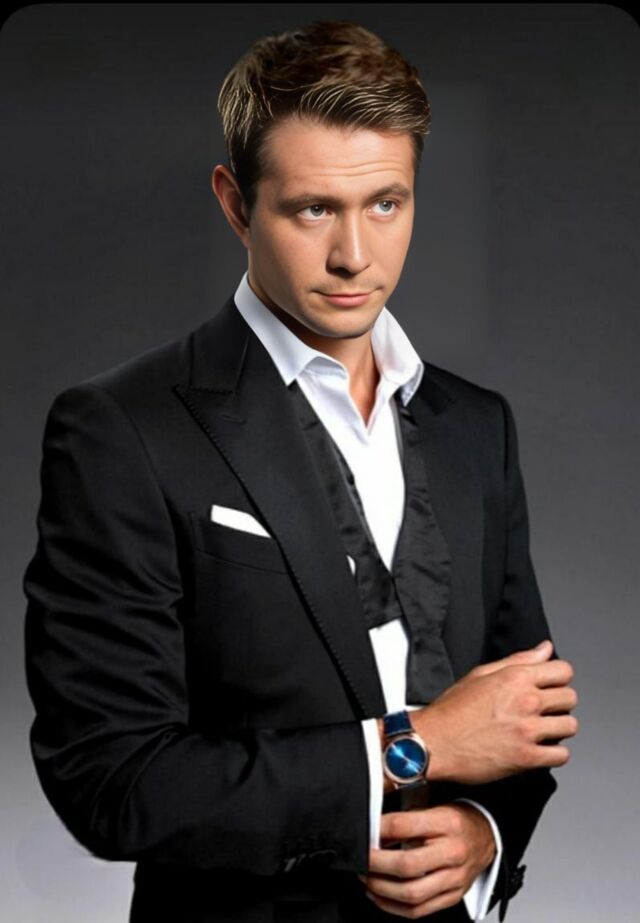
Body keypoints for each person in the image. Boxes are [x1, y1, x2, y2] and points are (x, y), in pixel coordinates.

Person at [23, 20, 579, 923]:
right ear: (235, 204)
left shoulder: (477, 426)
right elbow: (111, 779)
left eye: (386, 203)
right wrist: (416, 745)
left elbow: (524, 713)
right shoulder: (123, 429)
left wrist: (484, 832)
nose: (355, 254)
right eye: (314, 209)